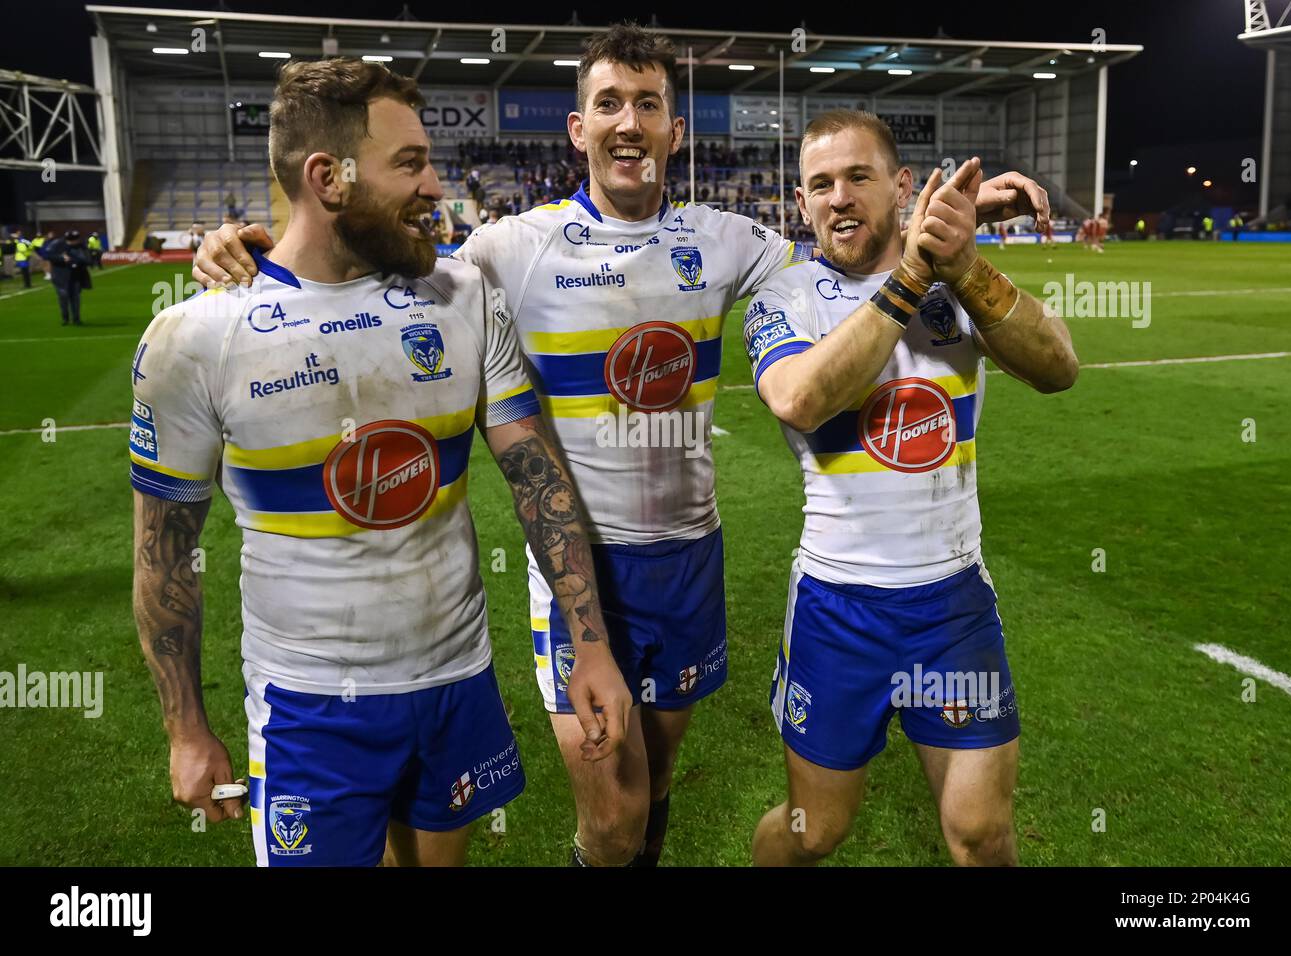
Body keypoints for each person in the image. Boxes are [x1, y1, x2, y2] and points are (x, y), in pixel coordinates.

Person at [191, 23, 1050, 869]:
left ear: (677, 130)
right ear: (579, 128)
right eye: (608, 103)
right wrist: (257, 248)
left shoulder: (734, 242)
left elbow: (851, 243)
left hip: (687, 559)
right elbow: (378, 254)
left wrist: (959, 221)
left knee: (656, 781)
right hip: (580, 568)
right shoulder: (509, 249)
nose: (629, 122)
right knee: (613, 814)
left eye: (648, 104)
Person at [132, 57, 629, 868]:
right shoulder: (196, 338)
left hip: (455, 677)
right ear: (329, 178)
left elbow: (537, 480)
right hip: (310, 707)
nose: (436, 185)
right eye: (409, 165)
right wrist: (186, 727)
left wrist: (591, 644)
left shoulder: (462, 296)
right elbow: (163, 562)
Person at [744, 111, 1077, 867]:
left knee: (982, 836)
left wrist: (960, 267)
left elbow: (1059, 366)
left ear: (900, 188)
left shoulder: (956, 280)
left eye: (857, 177)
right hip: (838, 606)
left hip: (952, 606)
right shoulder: (784, 300)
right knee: (813, 831)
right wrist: (913, 273)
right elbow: (800, 398)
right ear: (801, 205)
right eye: (820, 185)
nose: (838, 198)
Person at [43, 230, 92, 325]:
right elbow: (48, 255)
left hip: (76, 275)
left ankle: (76, 319)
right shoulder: (57, 244)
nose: (73, 242)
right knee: (63, 296)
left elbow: (87, 259)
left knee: (75, 297)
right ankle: (65, 318)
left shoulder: (81, 245)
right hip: (60, 276)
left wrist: (76, 261)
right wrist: (62, 258)